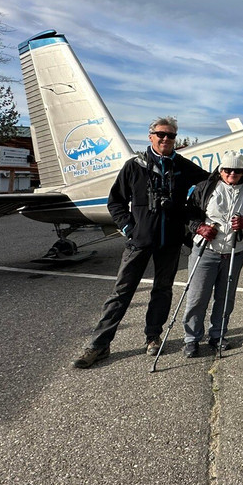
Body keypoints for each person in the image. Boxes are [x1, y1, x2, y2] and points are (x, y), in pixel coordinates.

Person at [72, 117, 208, 369]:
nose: (165, 139)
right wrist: (128, 227)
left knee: (162, 289)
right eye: (160, 134)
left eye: (171, 136)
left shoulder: (183, 166)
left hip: (170, 242)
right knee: (121, 292)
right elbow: (116, 202)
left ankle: (153, 336)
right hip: (139, 241)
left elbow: (212, 181)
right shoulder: (134, 166)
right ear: (151, 136)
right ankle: (99, 344)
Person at [181, 151, 243, 357]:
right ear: (220, 170)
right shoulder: (206, 187)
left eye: (237, 170)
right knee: (197, 298)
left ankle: (218, 336)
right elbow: (189, 213)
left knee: (225, 298)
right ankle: (191, 339)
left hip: (234, 251)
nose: (232, 173)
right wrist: (199, 227)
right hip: (206, 250)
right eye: (227, 169)